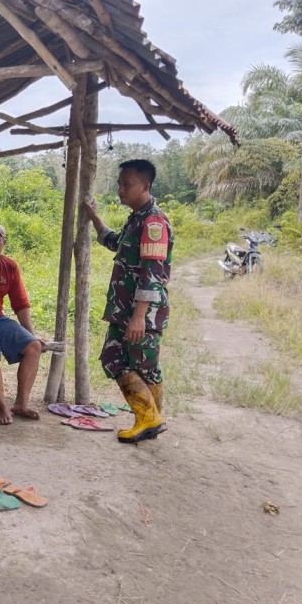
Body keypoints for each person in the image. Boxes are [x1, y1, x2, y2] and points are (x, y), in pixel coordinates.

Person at [82, 159, 173, 443]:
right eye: (120, 183)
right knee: (144, 367)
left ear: (145, 186)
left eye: (127, 184)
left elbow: (152, 272)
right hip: (125, 311)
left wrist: (138, 317)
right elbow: (114, 241)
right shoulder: (136, 218)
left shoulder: (153, 221)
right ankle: (150, 421)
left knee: (117, 359)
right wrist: (95, 218)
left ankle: (148, 419)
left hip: (138, 313)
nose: (121, 189)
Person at [0, 222, 44, 424]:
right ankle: (1, 405)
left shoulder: (9, 266)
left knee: (34, 346)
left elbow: (20, 303)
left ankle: (21, 404)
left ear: (4, 243)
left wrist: (31, 333)